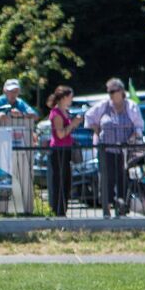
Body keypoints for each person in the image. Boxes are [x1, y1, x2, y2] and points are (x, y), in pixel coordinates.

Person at [84, 78, 143, 218]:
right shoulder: (103, 106)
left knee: (123, 178)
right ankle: (106, 208)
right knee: (106, 179)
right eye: (109, 91)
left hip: (125, 150)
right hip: (106, 150)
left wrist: (132, 138)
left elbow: (139, 126)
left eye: (113, 91)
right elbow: (88, 117)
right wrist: (97, 129)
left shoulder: (131, 106)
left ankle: (122, 207)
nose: (110, 94)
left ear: (121, 91)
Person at [46, 85, 82, 216]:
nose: (71, 100)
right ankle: (57, 211)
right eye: (70, 97)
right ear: (63, 98)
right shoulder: (56, 113)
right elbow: (60, 134)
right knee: (59, 182)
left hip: (66, 150)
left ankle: (63, 210)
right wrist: (73, 124)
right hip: (58, 151)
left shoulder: (65, 112)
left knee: (66, 182)